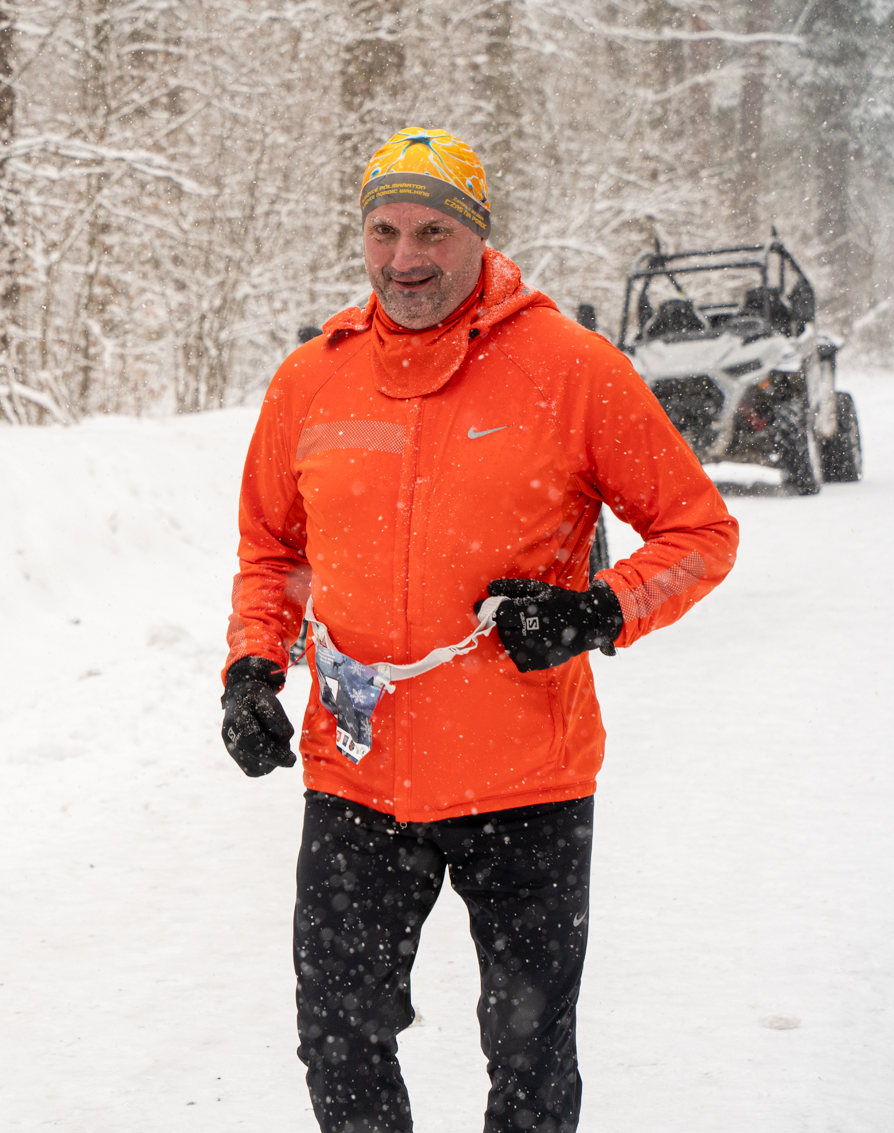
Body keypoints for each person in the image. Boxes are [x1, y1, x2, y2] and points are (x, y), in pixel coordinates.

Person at [221, 127, 739, 1133]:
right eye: (382, 229)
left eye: (431, 232)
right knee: (335, 1031)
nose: (403, 259)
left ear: (477, 236)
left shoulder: (570, 367)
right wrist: (249, 666)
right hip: (356, 779)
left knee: (529, 1047)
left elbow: (698, 532)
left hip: (525, 784)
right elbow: (272, 553)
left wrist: (594, 610)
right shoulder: (309, 381)